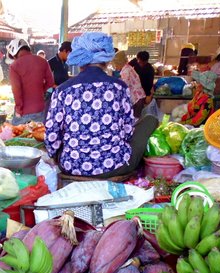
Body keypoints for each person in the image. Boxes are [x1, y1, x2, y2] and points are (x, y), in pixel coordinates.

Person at [44, 32, 158, 178]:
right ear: (106, 60)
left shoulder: (62, 90)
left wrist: (59, 153)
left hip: (72, 166)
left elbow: (51, 135)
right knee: (150, 119)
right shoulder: (120, 87)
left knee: (60, 143)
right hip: (116, 165)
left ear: (80, 61)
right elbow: (128, 131)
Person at [7, 38, 54, 125]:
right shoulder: (43, 61)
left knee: (19, 135)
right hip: (40, 109)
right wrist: (40, 92)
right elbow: (50, 83)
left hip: (23, 111)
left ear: (15, 53)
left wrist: (18, 109)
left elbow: (17, 90)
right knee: (37, 134)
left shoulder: (14, 66)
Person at [112, 51, 146, 116]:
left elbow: (123, 86)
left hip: (137, 99)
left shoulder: (125, 71)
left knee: (135, 121)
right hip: (139, 98)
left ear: (119, 62)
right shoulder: (128, 68)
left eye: (116, 64)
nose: (116, 67)